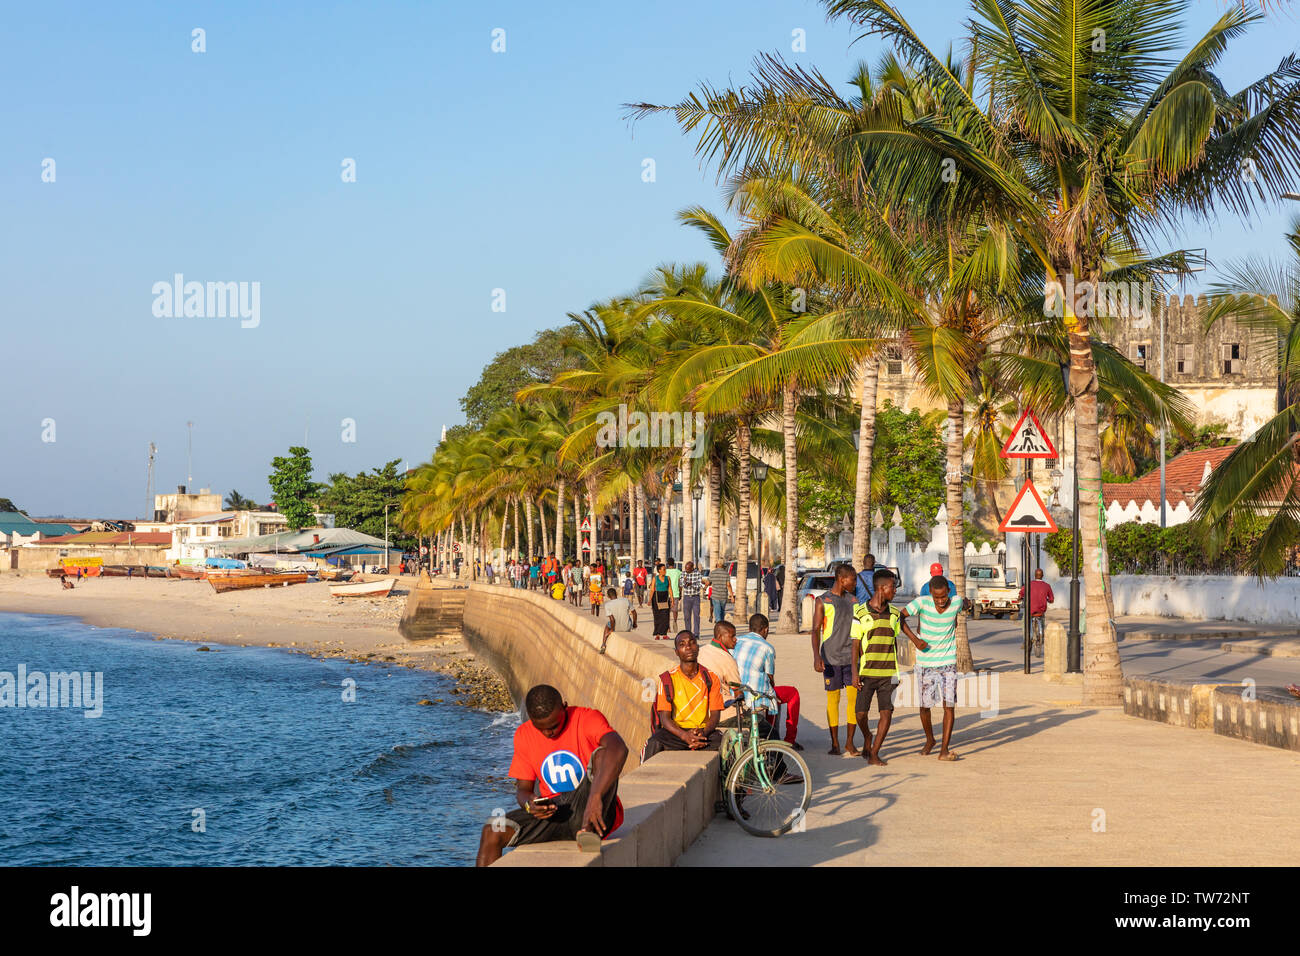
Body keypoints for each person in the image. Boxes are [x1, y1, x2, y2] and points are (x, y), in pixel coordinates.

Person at [475, 685, 627, 865]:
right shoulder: (524, 735)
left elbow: (618, 748)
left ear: (564, 706)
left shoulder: (586, 718)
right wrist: (530, 804)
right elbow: (523, 790)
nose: (548, 733)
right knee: (492, 830)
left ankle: (588, 830)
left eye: (554, 726)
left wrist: (595, 798)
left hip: (590, 806)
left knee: (602, 754)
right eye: (541, 729)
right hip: (554, 812)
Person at [853, 568, 923, 766]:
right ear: (882, 588)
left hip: (889, 674)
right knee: (860, 714)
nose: (895, 591)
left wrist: (918, 642)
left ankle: (875, 752)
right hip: (866, 672)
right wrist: (854, 673)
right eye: (893, 587)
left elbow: (904, 627)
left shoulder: (894, 613)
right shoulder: (859, 612)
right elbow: (855, 644)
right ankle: (867, 736)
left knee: (886, 713)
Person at [902, 576, 968, 761]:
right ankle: (930, 739)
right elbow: (899, 617)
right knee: (924, 707)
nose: (940, 601)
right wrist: (915, 640)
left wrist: (968, 604)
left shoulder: (956, 602)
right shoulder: (921, 603)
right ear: (931, 592)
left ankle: (944, 750)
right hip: (925, 663)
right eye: (937, 597)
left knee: (949, 706)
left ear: (948, 591)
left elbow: (966, 603)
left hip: (948, 662)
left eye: (943, 596)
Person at [642, 630, 724, 759]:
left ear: (698, 648)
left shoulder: (711, 677)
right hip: (677, 732)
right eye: (682, 644)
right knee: (652, 743)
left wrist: (703, 734)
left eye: (692, 643)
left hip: (703, 731)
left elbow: (715, 715)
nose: (688, 647)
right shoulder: (668, 679)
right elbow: (665, 718)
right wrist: (685, 736)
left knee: (727, 747)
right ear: (676, 652)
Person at [810, 564, 864, 756]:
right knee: (833, 699)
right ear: (842, 579)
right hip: (830, 658)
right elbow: (815, 630)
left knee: (853, 701)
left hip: (851, 659)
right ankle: (835, 743)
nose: (855, 583)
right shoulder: (823, 601)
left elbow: (860, 631)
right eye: (853, 579)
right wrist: (817, 656)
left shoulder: (854, 601)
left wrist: (863, 655)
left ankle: (849, 743)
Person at [734, 613, 802, 749]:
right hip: (755, 694)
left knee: (771, 694)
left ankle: (769, 730)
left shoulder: (737, 641)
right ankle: (790, 739)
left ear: (749, 628)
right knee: (791, 693)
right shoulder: (767, 648)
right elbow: (770, 678)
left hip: (736, 691)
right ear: (765, 629)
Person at [696, 620, 741, 723]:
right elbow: (737, 690)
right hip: (718, 706)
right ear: (721, 637)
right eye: (732, 636)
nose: (735, 639)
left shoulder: (702, 650)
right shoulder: (727, 659)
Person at [1019, 568, 1055, 655]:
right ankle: (1041, 636)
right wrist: (1049, 600)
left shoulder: (1029, 584)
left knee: (1024, 623)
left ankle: (1025, 640)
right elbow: (1051, 599)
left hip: (1030, 610)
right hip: (1041, 611)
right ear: (1042, 576)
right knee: (1042, 621)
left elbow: (1021, 593)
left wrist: (1020, 597)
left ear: (1035, 576)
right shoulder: (1047, 586)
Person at [600, 586, 637, 653]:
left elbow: (612, 620)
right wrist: (634, 624)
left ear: (608, 596)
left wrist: (611, 630)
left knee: (607, 625)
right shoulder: (626, 600)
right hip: (627, 627)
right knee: (628, 617)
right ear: (616, 593)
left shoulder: (607, 605)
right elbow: (634, 613)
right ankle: (631, 624)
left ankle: (603, 644)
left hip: (615, 628)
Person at [649, 563, 673, 639]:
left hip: (665, 598)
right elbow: (652, 589)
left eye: (665, 569)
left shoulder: (668, 578)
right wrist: (649, 599)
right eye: (663, 569)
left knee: (666, 616)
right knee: (657, 616)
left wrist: (672, 599)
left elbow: (669, 588)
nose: (665, 571)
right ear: (659, 570)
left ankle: (664, 634)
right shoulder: (655, 578)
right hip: (656, 598)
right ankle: (657, 634)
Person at [680, 561, 703, 638]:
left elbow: (699, 585)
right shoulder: (683, 573)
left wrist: (691, 584)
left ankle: (696, 634)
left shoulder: (698, 574)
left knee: (696, 616)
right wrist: (685, 582)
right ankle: (688, 633)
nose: (686, 570)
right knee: (687, 616)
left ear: (692, 568)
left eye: (688, 569)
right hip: (686, 597)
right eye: (685, 569)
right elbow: (680, 584)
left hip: (695, 597)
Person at [665, 558, 682, 631]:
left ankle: (668, 627)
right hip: (675, 593)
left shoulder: (665, 572)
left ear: (667, 564)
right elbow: (680, 584)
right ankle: (675, 621)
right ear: (674, 563)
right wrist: (680, 593)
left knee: (666, 610)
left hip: (666, 593)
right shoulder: (678, 572)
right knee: (675, 610)